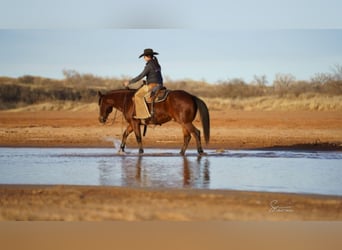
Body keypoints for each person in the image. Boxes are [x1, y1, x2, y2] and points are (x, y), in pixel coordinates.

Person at [124, 48, 163, 120]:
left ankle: (143, 115)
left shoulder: (149, 66)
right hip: (160, 84)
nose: (144, 58)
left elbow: (140, 76)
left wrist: (129, 82)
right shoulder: (157, 64)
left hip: (152, 85)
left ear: (147, 56)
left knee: (137, 95)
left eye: (144, 57)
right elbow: (154, 75)